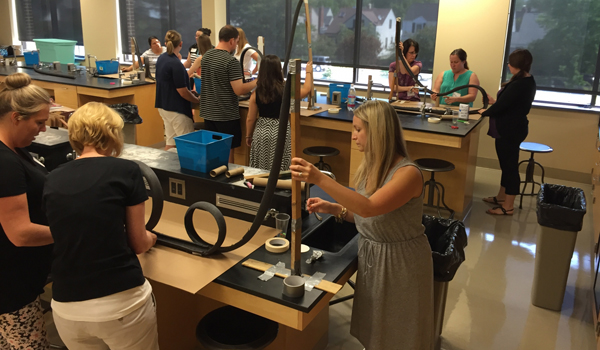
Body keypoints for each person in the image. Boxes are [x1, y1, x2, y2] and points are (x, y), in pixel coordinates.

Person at [290, 100, 434, 349]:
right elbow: (365, 214)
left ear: (378, 132)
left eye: (358, 129)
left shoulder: (407, 173)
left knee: (400, 333)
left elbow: (369, 208)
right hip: (375, 256)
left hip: (401, 263)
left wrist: (318, 178)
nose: (353, 135)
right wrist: (334, 208)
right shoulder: (370, 166)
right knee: (377, 331)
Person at [42, 102, 159, 350]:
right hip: (119, 304)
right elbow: (138, 243)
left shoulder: (53, 177)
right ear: (113, 134)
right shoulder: (126, 170)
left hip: (66, 307)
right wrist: (151, 238)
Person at [0, 72, 53, 349]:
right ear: (16, 117)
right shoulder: (5, 163)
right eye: (39, 122)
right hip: (11, 286)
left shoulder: (16, 150)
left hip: (20, 278)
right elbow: (20, 233)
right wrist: (73, 231)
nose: (43, 129)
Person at [479, 49, 536, 215]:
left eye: (510, 63)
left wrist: (484, 111)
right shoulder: (527, 80)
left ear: (516, 65)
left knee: (510, 166)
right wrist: (494, 102)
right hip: (514, 127)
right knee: (505, 164)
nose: (508, 65)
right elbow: (510, 103)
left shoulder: (520, 84)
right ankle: (501, 196)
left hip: (510, 130)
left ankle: (508, 206)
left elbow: (503, 107)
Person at [200, 25, 257, 163]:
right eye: (237, 42)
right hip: (225, 115)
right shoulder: (231, 61)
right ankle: (226, 181)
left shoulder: (206, 56)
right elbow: (239, 90)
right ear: (231, 41)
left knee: (213, 151)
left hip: (209, 113)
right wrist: (257, 81)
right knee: (227, 154)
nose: (236, 45)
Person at [246, 55, 313, 171]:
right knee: (280, 167)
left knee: (259, 168)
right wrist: (308, 73)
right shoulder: (286, 90)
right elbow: (306, 90)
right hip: (280, 130)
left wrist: (248, 135)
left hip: (261, 131)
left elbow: (250, 119)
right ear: (279, 70)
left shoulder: (256, 93)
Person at [155, 29, 199, 151]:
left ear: (165, 43)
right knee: (188, 146)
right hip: (177, 110)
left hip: (164, 107)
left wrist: (190, 92)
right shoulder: (176, 64)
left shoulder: (162, 58)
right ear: (180, 44)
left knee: (170, 143)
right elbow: (182, 92)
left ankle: (164, 169)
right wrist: (195, 99)